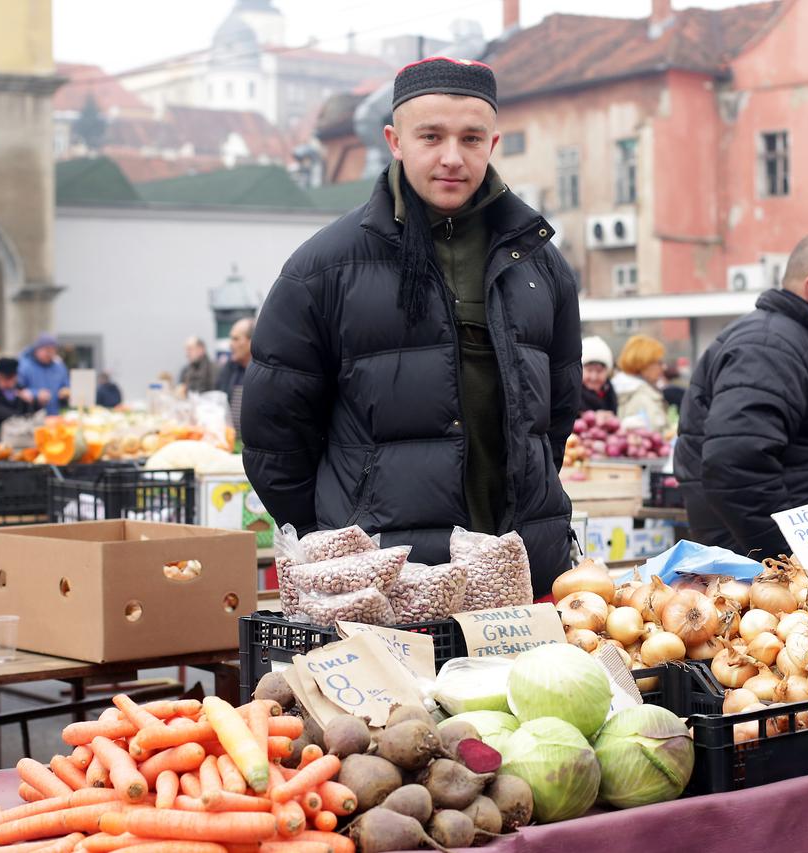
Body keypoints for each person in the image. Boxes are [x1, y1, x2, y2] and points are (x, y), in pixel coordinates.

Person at [241, 57, 581, 596]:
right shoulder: (325, 268)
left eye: (471, 139)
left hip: (522, 566)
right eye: (431, 137)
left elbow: (555, 415)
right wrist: (333, 537)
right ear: (395, 141)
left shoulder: (539, 264)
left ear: (492, 145)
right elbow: (273, 438)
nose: (452, 157)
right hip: (386, 580)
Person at [674, 232, 808, 559]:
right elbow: (735, 463)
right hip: (779, 558)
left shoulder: (805, 340)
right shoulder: (767, 348)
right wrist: (791, 557)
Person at [612, 334, 669, 432]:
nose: (664, 367)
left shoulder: (633, 391)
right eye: (659, 362)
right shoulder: (640, 397)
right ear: (643, 364)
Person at [17, 333, 70, 415]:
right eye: (47, 350)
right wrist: (36, 394)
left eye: (53, 350)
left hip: (55, 415)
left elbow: (66, 385)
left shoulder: (59, 367)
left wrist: (65, 392)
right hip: (33, 415)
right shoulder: (24, 366)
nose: (49, 353)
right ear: (37, 350)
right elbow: (18, 390)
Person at [217, 318, 253, 432]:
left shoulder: (265, 371)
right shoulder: (229, 369)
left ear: (252, 341)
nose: (230, 344)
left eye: (236, 339)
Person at [579, 335, 617, 413]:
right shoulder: (571, 398)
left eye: (599, 371)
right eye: (589, 370)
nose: (594, 377)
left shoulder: (611, 395)